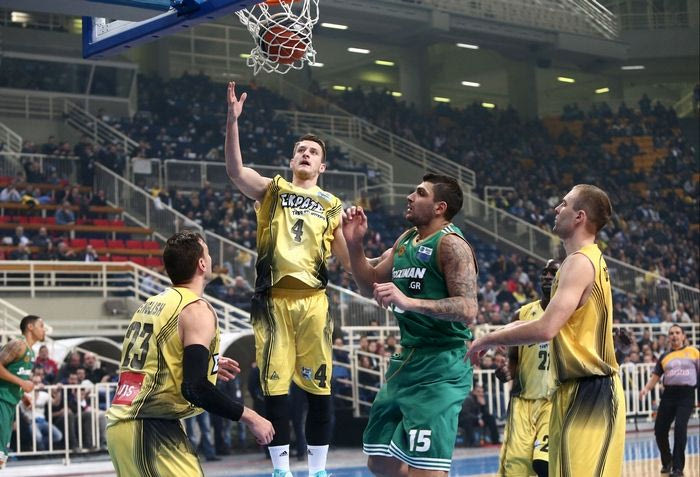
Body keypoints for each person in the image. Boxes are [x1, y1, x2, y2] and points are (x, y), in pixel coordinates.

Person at [225, 82, 350, 477]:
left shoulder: (333, 205)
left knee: (320, 391)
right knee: (275, 391)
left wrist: (363, 244)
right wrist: (232, 122)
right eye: (301, 150)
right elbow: (236, 172)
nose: (306, 154)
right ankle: (281, 470)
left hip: (314, 302)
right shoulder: (274, 189)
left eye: (313, 152)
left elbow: (348, 260)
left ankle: (318, 471)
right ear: (292, 159)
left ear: (322, 167)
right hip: (272, 302)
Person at [467, 184, 625, 477]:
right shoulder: (584, 260)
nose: (556, 208)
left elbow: (545, 328)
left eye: (563, 204)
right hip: (572, 388)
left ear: (579, 216)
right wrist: (498, 334)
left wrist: (486, 339)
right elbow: (547, 320)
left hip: (591, 389)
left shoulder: (579, 263)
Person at [105, 231, 273, 476]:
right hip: (149, 426)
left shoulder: (151, 304)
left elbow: (155, 358)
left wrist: (205, 362)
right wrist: (251, 417)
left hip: (124, 424)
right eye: (208, 253)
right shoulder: (195, 309)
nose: (211, 259)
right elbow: (195, 388)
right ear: (202, 264)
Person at [342, 174, 479, 475]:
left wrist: (409, 302)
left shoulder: (452, 245)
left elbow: (468, 309)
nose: (410, 197)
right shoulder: (405, 240)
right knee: (380, 462)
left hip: (442, 364)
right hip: (407, 361)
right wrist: (355, 244)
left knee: (425, 469)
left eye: (420, 193)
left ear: (440, 207)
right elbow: (369, 285)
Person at [495, 259, 560, 477]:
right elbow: (513, 359)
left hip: (554, 401)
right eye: (545, 272)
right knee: (516, 468)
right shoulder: (522, 315)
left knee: (545, 463)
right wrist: (507, 371)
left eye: (553, 272)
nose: (547, 276)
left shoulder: (572, 317)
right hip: (522, 402)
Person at [639, 324, 699, 477]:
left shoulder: (694, 352)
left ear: (683, 336)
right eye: (671, 333)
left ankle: (678, 468)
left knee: (680, 428)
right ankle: (668, 462)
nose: (674, 335)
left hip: (686, 395)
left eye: (677, 332)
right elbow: (655, 376)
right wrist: (646, 389)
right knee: (659, 430)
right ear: (668, 337)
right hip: (669, 395)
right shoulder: (664, 356)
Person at [0, 315, 47, 468]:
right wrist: (22, 383)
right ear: (30, 327)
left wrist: (21, 395)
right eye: (41, 326)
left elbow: (12, 375)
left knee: (1, 456)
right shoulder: (18, 344)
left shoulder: (30, 352)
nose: (44, 330)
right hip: (1, 401)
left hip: (9, 402)